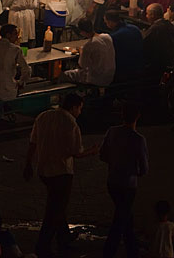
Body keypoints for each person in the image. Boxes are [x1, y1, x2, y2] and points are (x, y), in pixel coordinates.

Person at [24, 93, 99, 258]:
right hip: (61, 172)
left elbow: (33, 142)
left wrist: (28, 163)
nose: (80, 112)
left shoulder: (43, 116)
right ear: (73, 107)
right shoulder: (71, 123)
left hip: (44, 170)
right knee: (54, 210)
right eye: (79, 108)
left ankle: (64, 236)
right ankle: (43, 246)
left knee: (57, 205)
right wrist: (92, 151)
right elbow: (76, 153)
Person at [100, 102, 149, 258]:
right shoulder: (138, 139)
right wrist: (135, 171)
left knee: (125, 214)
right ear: (138, 117)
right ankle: (110, 251)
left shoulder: (112, 132)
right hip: (128, 184)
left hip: (112, 181)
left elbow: (102, 155)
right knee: (120, 219)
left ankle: (131, 248)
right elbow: (144, 167)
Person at [0, 24, 31, 101]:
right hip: (7, 92)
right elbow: (27, 70)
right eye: (15, 34)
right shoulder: (15, 49)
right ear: (8, 35)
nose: (17, 37)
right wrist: (21, 82)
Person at [62, 19, 115, 86]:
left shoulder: (89, 45)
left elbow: (82, 65)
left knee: (64, 75)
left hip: (96, 79)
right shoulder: (107, 37)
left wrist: (81, 51)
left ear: (82, 32)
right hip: (110, 76)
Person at [104, 11, 144, 82]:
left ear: (109, 22)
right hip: (139, 67)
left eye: (106, 22)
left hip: (122, 71)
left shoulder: (114, 37)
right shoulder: (135, 29)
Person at [143, 3, 174, 74]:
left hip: (156, 65)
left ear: (153, 15)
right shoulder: (170, 25)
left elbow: (144, 44)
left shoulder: (155, 28)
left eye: (147, 14)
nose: (146, 16)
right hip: (170, 61)